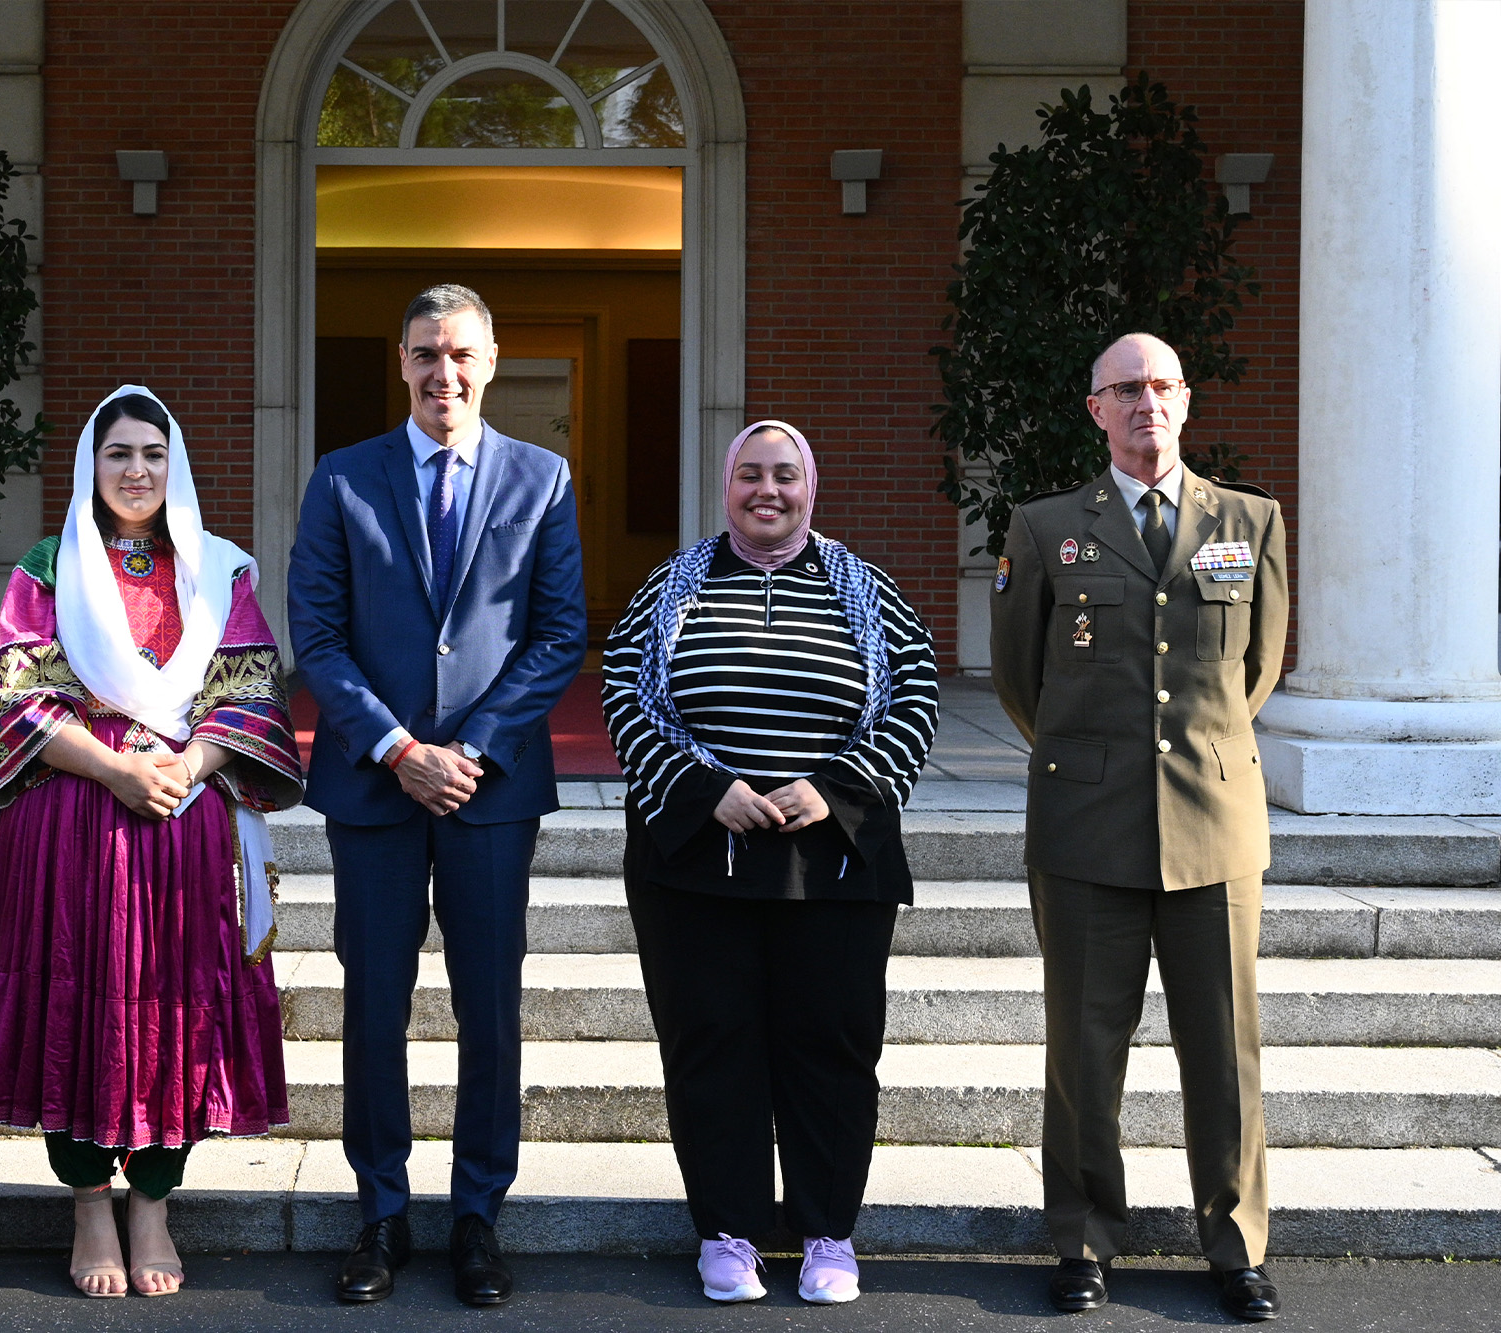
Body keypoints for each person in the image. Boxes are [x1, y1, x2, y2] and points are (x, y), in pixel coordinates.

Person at [0, 386, 303, 1299]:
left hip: (184, 820)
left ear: (174, 463)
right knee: (78, 994)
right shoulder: (48, 566)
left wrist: (190, 764)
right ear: (91, 466)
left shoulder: (216, 569)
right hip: (74, 816)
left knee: (172, 1000)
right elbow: (12, 698)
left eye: (153, 452)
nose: (137, 470)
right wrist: (114, 770)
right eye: (118, 454)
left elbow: (252, 690)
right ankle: (87, 1204)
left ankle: (152, 1199)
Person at [288, 283, 586, 1307]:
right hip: (374, 788)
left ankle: (474, 1215)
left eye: (460, 354)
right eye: (424, 354)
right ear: (402, 362)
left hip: (490, 791)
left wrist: (470, 748)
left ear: (491, 360)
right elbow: (317, 637)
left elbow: (557, 632)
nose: (441, 373)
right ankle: (379, 1210)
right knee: (373, 1006)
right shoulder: (341, 479)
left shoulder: (542, 478)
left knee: (487, 1008)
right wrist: (396, 746)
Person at [601, 419, 938, 1306]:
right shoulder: (671, 585)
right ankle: (729, 1230)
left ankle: (830, 1231)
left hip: (832, 863)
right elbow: (624, 691)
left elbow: (916, 690)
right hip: (697, 862)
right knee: (713, 1044)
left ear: (809, 487)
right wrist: (703, 783)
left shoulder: (865, 585)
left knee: (831, 1048)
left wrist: (836, 786)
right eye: (749, 474)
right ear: (726, 487)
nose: (767, 490)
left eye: (784, 475)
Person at [989, 333, 1288, 1323]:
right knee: (1081, 1052)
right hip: (1084, 828)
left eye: (1160, 386)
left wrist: (1189, 756)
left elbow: (1255, 672)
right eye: (1123, 388)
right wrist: (1101, 759)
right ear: (1094, 409)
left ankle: (1234, 1245)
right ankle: (1080, 1239)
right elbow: (1019, 681)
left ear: (1186, 402)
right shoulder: (1040, 530)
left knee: (1224, 1049)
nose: (1144, 403)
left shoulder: (1248, 520)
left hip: (1213, 822)